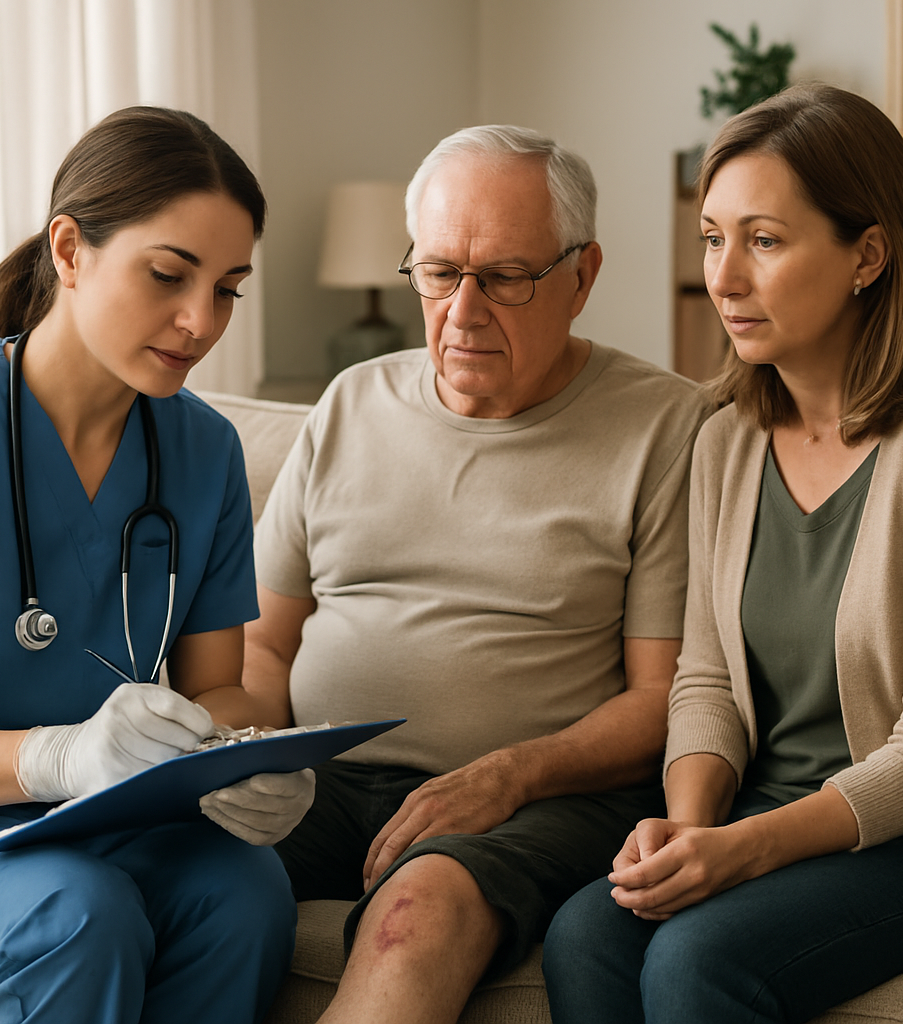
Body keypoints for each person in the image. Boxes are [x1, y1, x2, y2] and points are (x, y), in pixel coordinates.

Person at [215, 125, 711, 1024]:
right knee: (165, 862)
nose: (464, 310)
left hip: (537, 796)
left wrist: (510, 774)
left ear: (582, 276)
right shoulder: (351, 402)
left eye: (507, 277)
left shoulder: (666, 428)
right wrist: (236, 757)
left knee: (418, 914)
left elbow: (664, 698)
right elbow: (264, 642)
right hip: (320, 780)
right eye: (440, 273)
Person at [0, 106, 315, 1024]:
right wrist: (57, 756)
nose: (199, 321)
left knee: (245, 900)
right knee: (70, 917)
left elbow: (224, 688)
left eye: (228, 289)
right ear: (70, 249)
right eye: (169, 275)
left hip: (109, 819)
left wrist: (246, 760)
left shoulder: (202, 451)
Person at [542, 83, 903, 1024]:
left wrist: (748, 852)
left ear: (866, 255)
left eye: (764, 240)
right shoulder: (725, 442)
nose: (724, 277)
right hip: (766, 811)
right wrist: (688, 826)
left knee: (694, 961)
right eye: (713, 237)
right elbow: (706, 680)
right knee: (587, 931)